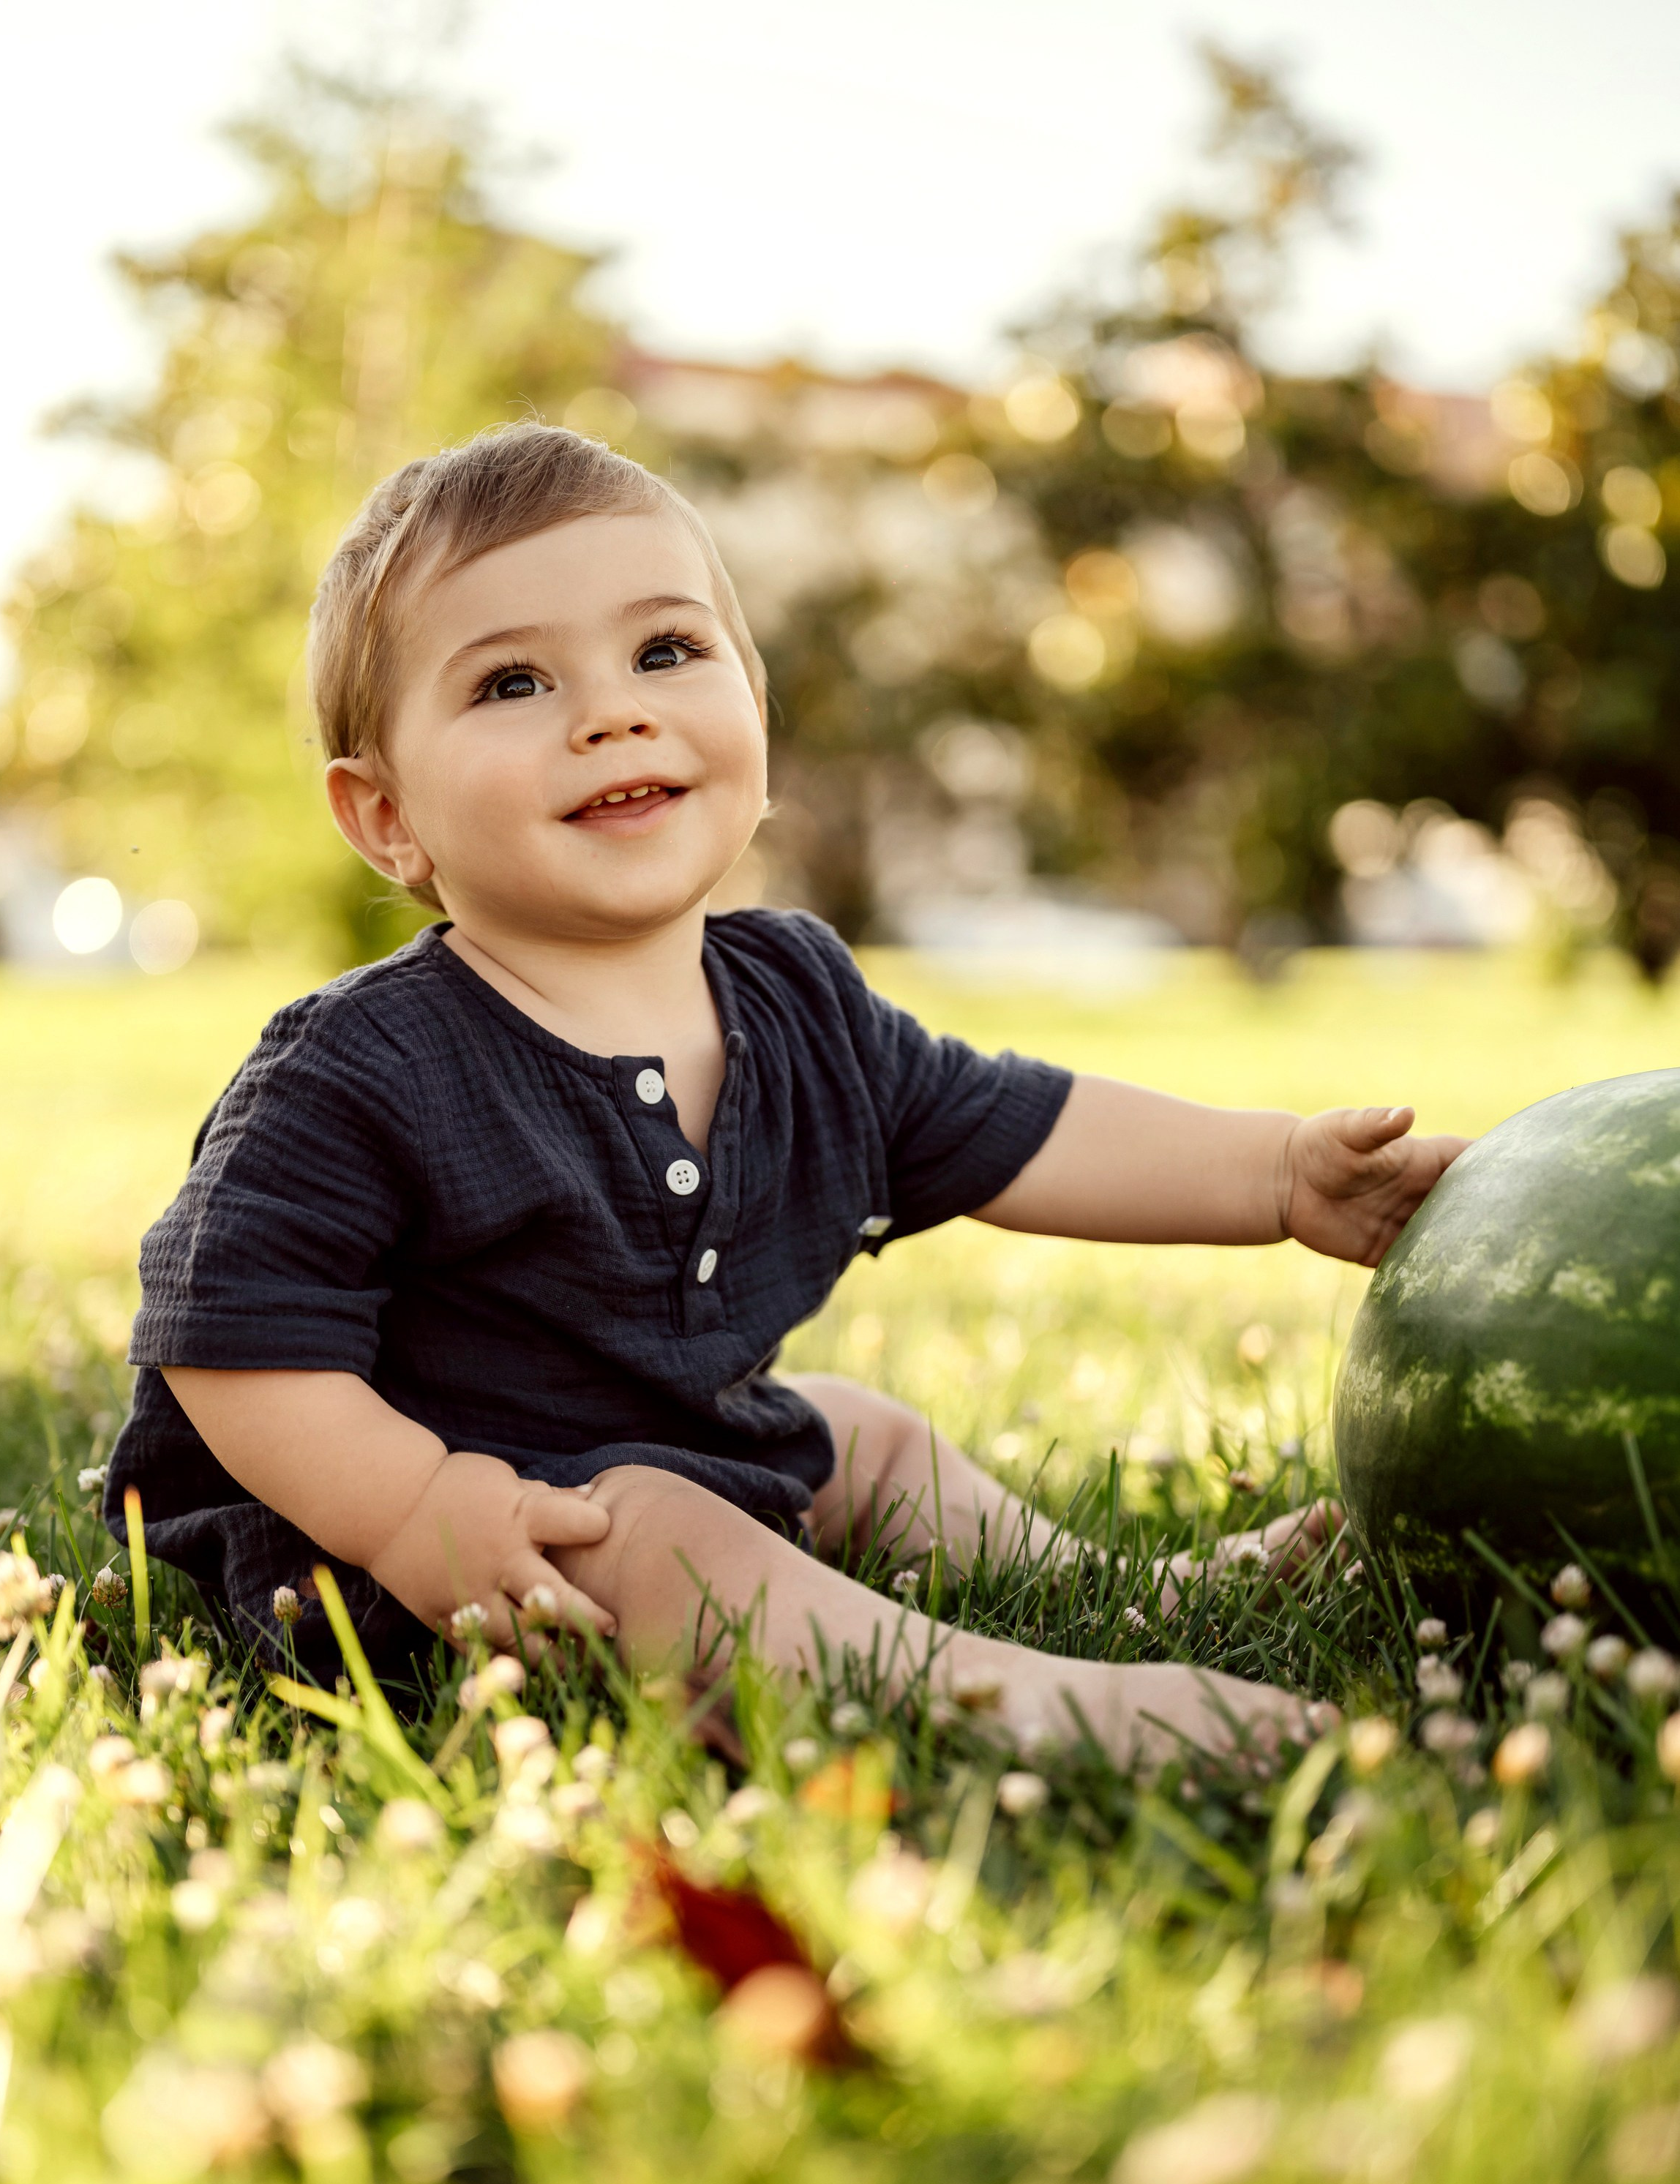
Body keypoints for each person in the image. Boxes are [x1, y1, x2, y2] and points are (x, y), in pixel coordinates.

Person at [105, 424, 1463, 1768]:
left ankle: (1120, 1598)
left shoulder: (795, 997)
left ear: (751, 701)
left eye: (666, 652)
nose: (610, 711)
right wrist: (416, 1512)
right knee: (640, 1523)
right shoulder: (361, 1065)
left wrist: (1281, 1179)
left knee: (854, 1438)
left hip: (661, 1465)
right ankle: (1009, 1702)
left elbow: (1025, 1130)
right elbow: (232, 1341)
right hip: (395, 1559)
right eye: (513, 683)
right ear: (388, 815)